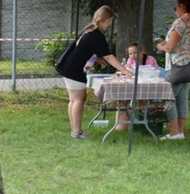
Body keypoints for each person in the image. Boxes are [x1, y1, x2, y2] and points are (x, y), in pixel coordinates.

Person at [55, 6, 132, 139]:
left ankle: (75, 130)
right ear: (103, 20)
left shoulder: (89, 29)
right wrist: (124, 70)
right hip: (74, 69)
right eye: (109, 22)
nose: (109, 25)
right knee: (78, 99)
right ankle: (77, 131)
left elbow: (86, 49)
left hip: (68, 66)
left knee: (74, 99)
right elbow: (109, 56)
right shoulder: (96, 35)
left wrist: (98, 59)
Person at [158, 1, 190, 141]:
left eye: (176, 7)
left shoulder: (180, 23)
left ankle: (174, 132)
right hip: (189, 64)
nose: (175, 10)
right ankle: (180, 132)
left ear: (182, 6)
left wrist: (161, 46)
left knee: (168, 97)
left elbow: (170, 47)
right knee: (182, 98)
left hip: (177, 64)